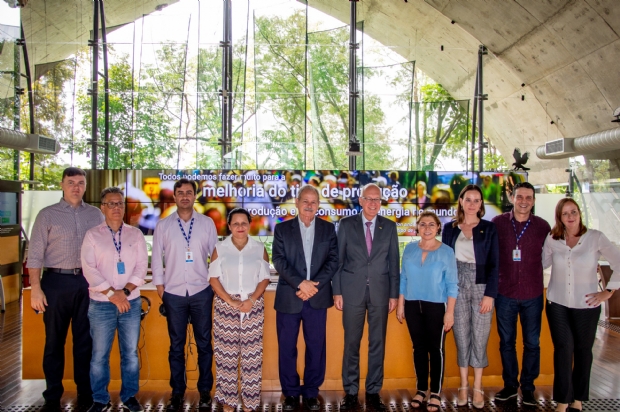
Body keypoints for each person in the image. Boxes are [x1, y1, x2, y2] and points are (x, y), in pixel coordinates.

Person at [28, 167, 104, 412]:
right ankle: (52, 396)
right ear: (62, 185)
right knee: (54, 342)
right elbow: (35, 254)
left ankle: (85, 393)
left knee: (85, 342)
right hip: (55, 284)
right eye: (71, 182)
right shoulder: (46, 215)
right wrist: (36, 288)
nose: (76, 187)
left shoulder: (95, 215)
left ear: (85, 186)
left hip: (86, 283)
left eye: (80, 183)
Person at [542, 198, 620, 412]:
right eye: (565, 213)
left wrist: (608, 292)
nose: (570, 216)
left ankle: (578, 397)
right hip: (557, 302)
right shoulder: (553, 238)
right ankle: (562, 400)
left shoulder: (595, 237)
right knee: (563, 349)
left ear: (579, 214)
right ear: (559, 217)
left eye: (573, 212)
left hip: (587, 304)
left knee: (583, 350)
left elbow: (618, 261)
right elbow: (542, 262)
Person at [151, 178, 218, 412]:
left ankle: (205, 392)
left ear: (195, 195)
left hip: (201, 291)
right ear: (174, 197)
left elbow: (215, 256)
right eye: (180, 193)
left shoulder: (207, 223)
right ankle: (177, 392)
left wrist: (214, 284)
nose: (185, 196)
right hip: (173, 292)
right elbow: (156, 258)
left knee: (204, 345)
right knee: (176, 346)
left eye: (189, 192)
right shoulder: (163, 225)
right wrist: (160, 286)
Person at [333, 183, 400, 411]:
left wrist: (393, 295)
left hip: (381, 294)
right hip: (351, 293)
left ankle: (373, 391)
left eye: (377, 199)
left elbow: (394, 264)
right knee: (351, 343)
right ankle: (350, 391)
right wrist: (337, 291)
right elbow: (338, 262)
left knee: (377, 344)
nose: (373, 203)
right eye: (369, 199)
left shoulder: (389, 227)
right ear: (360, 201)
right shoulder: (346, 224)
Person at [271, 185, 339, 411]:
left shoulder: (328, 230)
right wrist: (301, 283)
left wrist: (313, 286)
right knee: (287, 347)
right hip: (290, 296)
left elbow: (333, 261)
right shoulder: (282, 229)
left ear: (318, 205)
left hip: (316, 298)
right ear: (297, 202)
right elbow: (279, 261)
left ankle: (311, 391)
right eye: (305, 201)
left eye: (314, 202)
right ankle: (290, 393)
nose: (309, 206)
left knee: (316, 347)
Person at [81, 187, 148, 412]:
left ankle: (129, 396)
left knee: (129, 353)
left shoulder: (135, 234)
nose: (116, 207)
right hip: (101, 304)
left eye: (119, 203)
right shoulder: (92, 235)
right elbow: (89, 269)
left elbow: (141, 267)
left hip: (130, 302)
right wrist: (112, 294)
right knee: (99, 355)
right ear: (103, 208)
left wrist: (124, 293)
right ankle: (100, 399)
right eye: (111, 203)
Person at [490, 182, 550, 406]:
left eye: (528, 197)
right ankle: (510, 387)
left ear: (533, 201)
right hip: (504, 293)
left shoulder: (543, 226)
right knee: (506, 342)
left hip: (532, 294)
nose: (524, 201)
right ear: (512, 198)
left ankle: (528, 388)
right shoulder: (497, 223)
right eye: (520, 196)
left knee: (532, 344)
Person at [442, 185, 499, 409]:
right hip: (457, 284)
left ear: (481, 204)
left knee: (480, 336)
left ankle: (478, 386)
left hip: (482, 285)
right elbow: (445, 262)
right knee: (461, 336)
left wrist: (490, 295)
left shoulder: (489, 228)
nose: (472, 204)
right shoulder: (450, 228)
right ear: (461, 201)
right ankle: (463, 385)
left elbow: (495, 263)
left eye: (477, 200)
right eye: (468, 199)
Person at [208, 208, 271, 412]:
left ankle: (250, 403)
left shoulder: (259, 248)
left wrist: (252, 300)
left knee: (251, 358)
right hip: (226, 307)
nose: (240, 227)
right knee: (226, 357)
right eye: (235, 223)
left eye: (244, 223)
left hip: (253, 306)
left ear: (250, 224)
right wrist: (230, 301)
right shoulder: (220, 248)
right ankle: (228, 401)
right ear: (229, 226)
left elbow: (264, 278)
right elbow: (213, 279)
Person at [397, 211, 458, 412]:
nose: (427, 228)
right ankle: (421, 389)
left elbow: (452, 285)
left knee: (436, 349)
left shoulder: (447, 252)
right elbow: (403, 278)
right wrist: (400, 304)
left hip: (436, 306)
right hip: (412, 305)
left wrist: (449, 312)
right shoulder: (410, 249)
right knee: (419, 348)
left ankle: (435, 392)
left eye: (431, 224)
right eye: (423, 224)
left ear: (438, 227)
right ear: (418, 228)